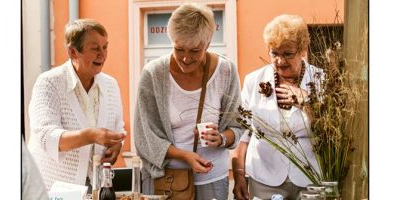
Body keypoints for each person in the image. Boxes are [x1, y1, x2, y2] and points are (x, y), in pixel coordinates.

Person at [134, 3, 243, 200]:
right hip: (166, 181)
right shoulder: (153, 74)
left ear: (208, 44)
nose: (185, 58)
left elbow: (238, 125)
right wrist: (184, 156)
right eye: (179, 48)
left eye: (194, 51)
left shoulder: (226, 71)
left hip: (213, 179)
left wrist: (220, 138)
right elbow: (145, 137)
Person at [27, 19, 126, 190]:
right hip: (52, 189)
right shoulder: (49, 83)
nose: (102, 54)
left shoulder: (111, 85)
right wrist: (92, 135)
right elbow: (45, 137)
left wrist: (116, 145)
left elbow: (118, 129)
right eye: (95, 48)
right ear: (73, 52)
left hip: (97, 188)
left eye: (105, 47)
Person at [232, 14, 323, 200]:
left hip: (309, 179)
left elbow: (330, 132)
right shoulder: (253, 81)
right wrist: (239, 177)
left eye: (287, 54)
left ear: (303, 50)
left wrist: (307, 102)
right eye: (274, 53)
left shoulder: (320, 79)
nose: (280, 61)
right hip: (264, 178)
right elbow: (243, 133)